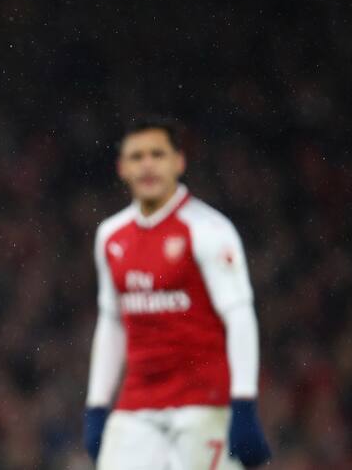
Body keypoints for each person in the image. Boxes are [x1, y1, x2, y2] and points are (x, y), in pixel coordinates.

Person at [83, 120, 272, 469]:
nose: (148, 164)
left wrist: (244, 403)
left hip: (204, 402)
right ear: (122, 168)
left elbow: (240, 315)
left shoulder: (209, 230)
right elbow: (112, 322)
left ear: (179, 163)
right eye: (137, 157)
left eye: (158, 154)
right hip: (137, 405)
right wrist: (97, 405)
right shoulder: (110, 236)